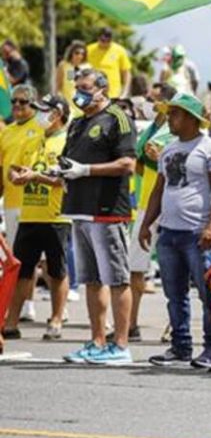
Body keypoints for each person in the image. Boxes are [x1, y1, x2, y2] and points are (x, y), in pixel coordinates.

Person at [139, 92, 211, 368]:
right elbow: (159, 188)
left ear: (192, 119)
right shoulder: (168, 149)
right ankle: (181, 346)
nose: (170, 119)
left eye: (175, 114)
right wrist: (147, 224)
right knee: (174, 293)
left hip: (197, 232)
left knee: (209, 292)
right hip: (169, 232)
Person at [59, 68, 137, 365]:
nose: (79, 93)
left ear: (102, 89)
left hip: (107, 211)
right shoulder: (77, 123)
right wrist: (51, 174)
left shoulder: (117, 118)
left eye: (86, 87)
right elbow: (69, 163)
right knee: (91, 280)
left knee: (116, 278)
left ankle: (120, 344)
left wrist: (86, 170)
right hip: (79, 208)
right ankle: (97, 340)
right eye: (77, 87)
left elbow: (128, 163)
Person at [3, 95, 71, 340]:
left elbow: (64, 179)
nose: (40, 115)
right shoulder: (33, 139)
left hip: (56, 216)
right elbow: (15, 167)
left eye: (45, 110)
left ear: (58, 113)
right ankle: (11, 321)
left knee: (56, 271)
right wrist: (15, 175)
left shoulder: (67, 142)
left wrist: (34, 177)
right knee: (22, 270)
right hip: (29, 213)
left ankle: (56, 318)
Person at [127, 83, 177, 342]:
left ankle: (174, 325)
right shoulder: (149, 129)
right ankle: (130, 323)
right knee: (135, 266)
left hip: (168, 205)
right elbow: (138, 165)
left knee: (171, 268)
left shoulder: (177, 130)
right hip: (145, 203)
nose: (148, 102)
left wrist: (158, 158)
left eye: (154, 99)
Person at [0, 84, 44, 325]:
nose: (16, 106)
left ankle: (45, 308)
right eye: (14, 102)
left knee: (44, 260)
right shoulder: (6, 132)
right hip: (12, 203)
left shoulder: (40, 128)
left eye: (23, 102)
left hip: (37, 202)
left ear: (33, 105)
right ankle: (24, 305)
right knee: (19, 259)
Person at [87, 27, 132, 99]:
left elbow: (126, 73)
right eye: (102, 40)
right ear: (98, 38)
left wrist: (125, 92)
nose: (105, 43)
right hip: (92, 94)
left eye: (108, 41)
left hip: (113, 94)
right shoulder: (89, 49)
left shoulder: (120, 50)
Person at [54, 40, 89, 105]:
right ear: (71, 53)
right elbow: (58, 86)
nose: (79, 56)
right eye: (77, 53)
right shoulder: (64, 65)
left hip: (81, 105)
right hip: (66, 104)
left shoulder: (87, 67)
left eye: (82, 54)